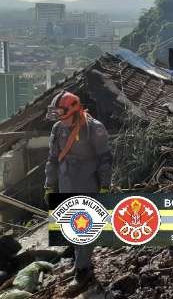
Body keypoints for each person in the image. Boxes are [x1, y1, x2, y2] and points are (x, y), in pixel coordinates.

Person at [44, 91, 112, 297]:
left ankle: (83, 271)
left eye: (60, 112)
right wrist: (49, 184)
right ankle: (78, 264)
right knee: (68, 226)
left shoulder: (93, 128)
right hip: (66, 184)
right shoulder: (57, 129)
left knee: (83, 227)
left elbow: (105, 159)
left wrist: (105, 186)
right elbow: (52, 160)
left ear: (73, 110)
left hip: (87, 184)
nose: (57, 117)